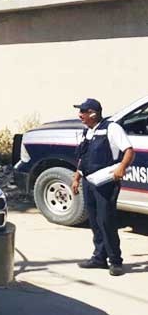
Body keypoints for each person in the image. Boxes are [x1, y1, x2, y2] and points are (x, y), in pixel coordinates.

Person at [70, 98, 134, 276]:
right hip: (88, 181)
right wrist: (76, 177)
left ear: (93, 113)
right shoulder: (88, 132)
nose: (80, 115)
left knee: (106, 221)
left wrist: (121, 167)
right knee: (94, 221)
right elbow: (83, 158)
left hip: (106, 183)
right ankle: (99, 258)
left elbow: (129, 150)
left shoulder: (112, 128)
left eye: (83, 111)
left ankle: (116, 261)